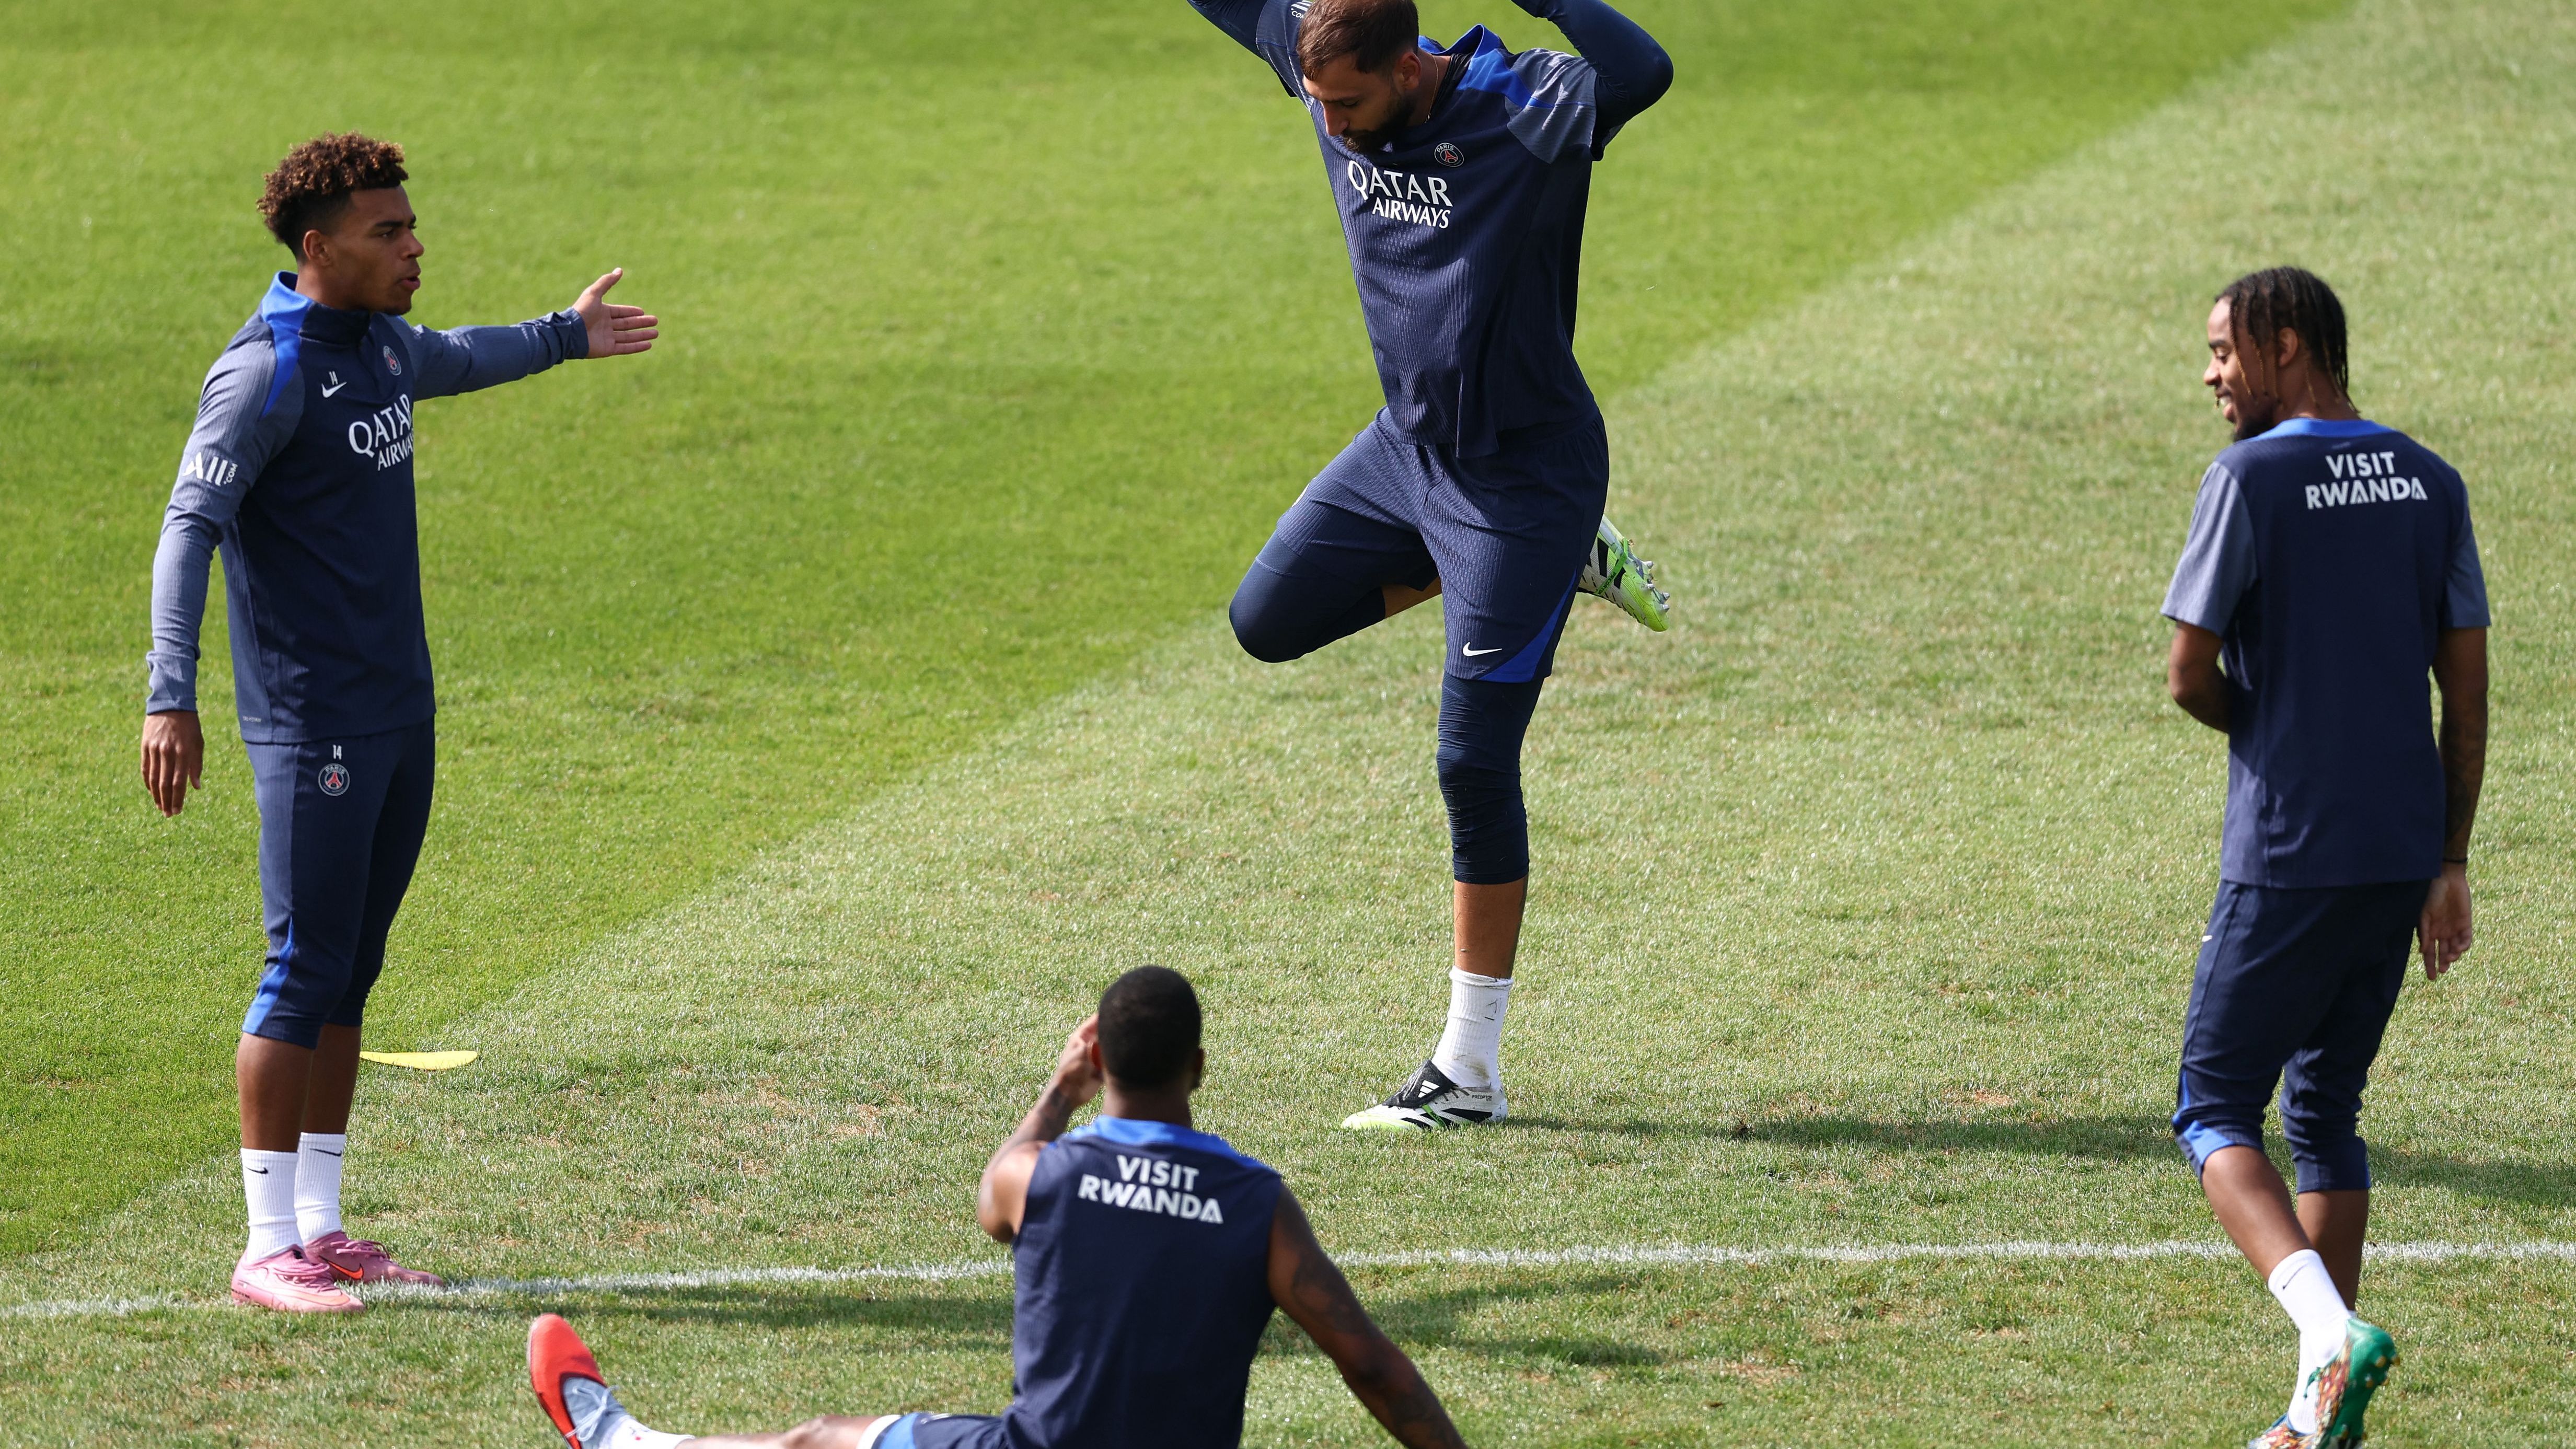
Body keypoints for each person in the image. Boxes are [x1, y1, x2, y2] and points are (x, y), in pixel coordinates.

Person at [140, 132, 659, 1313]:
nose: (415, 245)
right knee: (300, 969)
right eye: (389, 231)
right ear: (319, 248)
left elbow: (459, 355)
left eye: (411, 224)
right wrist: (171, 693)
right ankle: (263, 1247)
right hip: (311, 725)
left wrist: (564, 334)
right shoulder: (265, 372)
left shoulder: (376, 344)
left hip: (396, 713)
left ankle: (321, 1229)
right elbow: (187, 529)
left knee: (350, 971)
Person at [1181, 0, 1675, 1131]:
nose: (1330, 125)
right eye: (1317, 103)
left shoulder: (1526, 105)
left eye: (1348, 103)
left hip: (1523, 483)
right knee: (1264, 619)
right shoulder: (1321, 54)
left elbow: (1641, 69)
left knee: (1470, 760)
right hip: (1406, 454)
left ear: (1407, 67)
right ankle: (1565, 568)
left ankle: (1469, 1071)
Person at [527, 967, 1469, 1449]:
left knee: (820, 1441)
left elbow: (993, 1193)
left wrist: (1058, 1092)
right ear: (1199, 1067)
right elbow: (1372, 1366)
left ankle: (621, 1441)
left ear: (1099, 1059)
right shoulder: (1258, 1205)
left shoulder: (1046, 1175)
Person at [2160, 266, 2487, 1448]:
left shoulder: (2248, 478)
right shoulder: (2429, 479)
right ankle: (2317, 1410)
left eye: (2223, 350)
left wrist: (2267, 727)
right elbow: (2465, 692)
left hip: (2289, 848)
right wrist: (2448, 858)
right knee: (2325, 1107)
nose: (2210, 376)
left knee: (2210, 1105)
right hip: (2399, 851)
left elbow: (2187, 673)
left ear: (2285, 343)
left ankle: (2325, 1335)